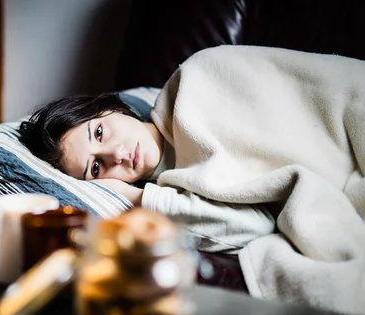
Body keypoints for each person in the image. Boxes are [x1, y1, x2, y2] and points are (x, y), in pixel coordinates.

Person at [19, 92, 276, 254]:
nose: (116, 155)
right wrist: (136, 197)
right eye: (96, 167)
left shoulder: (189, 91)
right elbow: (256, 226)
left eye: (99, 132)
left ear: (109, 108)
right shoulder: (169, 194)